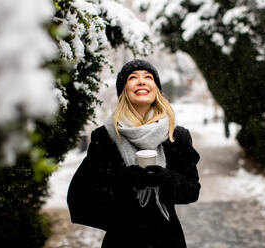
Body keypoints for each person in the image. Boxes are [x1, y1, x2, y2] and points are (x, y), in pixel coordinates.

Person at [67, 59, 200, 248]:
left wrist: (167, 179)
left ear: (156, 89)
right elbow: (82, 195)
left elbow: (192, 191)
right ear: (124, 91)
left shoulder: (176, 136)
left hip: (168, 239)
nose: (141, 81)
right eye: (132, 77)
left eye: (149, 77)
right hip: (122, 239)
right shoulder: (105, 137)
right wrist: (122, 181)